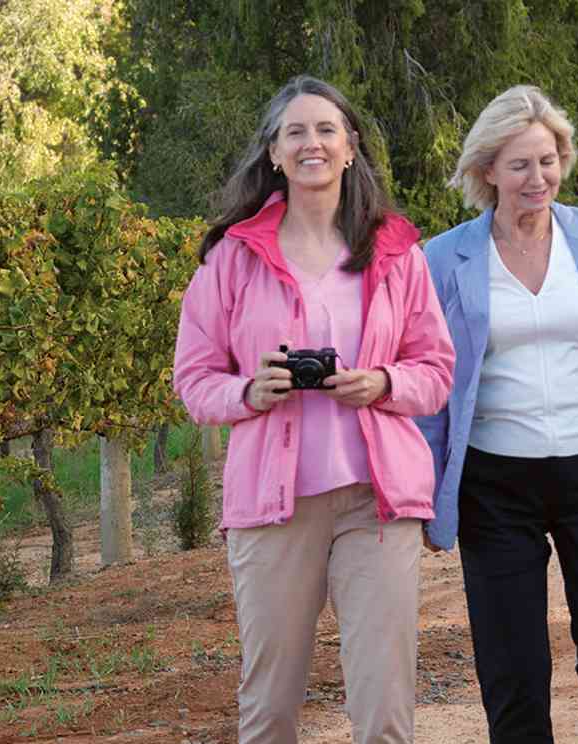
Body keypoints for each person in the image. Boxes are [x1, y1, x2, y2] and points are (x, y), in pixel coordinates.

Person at [170, 75, 455, 744]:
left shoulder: (396, 252)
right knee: (269, 708)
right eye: (294, 131)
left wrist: (381, 383)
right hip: (273, 509)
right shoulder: (230, 258)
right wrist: (249, 392)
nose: (312, 143)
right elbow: (194, 379)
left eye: (326, 129)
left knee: (385, 709)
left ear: (351, 147)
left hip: (375, 502)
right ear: (273, 152)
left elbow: (436, 371)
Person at [415, 84, 578, 743]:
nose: (539, 177)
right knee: (514, 678)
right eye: (521, 164)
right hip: (494, 485)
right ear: (488, 171)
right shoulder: (444, 258)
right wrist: (421, 482)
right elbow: (429, 373)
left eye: (550, 159)